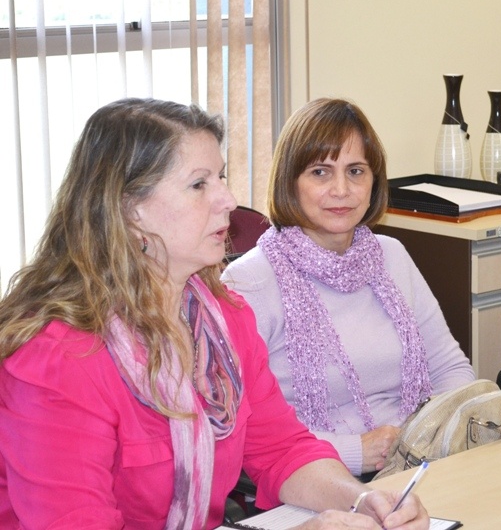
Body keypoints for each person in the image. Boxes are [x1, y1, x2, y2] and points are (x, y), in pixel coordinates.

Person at [0, 98, 429, 530]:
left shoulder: (223, 320)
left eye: (220, 177)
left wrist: (365, 500)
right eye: (199, 184)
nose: (228, 199)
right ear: (130, 209)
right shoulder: (57, 358)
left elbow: (282, 449)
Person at [222, 98, 475, 478]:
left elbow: (449, 367)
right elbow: (241, 424)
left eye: (356, 171)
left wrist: (435, 430)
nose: (342, 189)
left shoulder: (391, 256)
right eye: (320, 172)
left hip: (419, 461)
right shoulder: (250, 282)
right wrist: (354, 451)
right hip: (316, 475)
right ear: (289, 181)